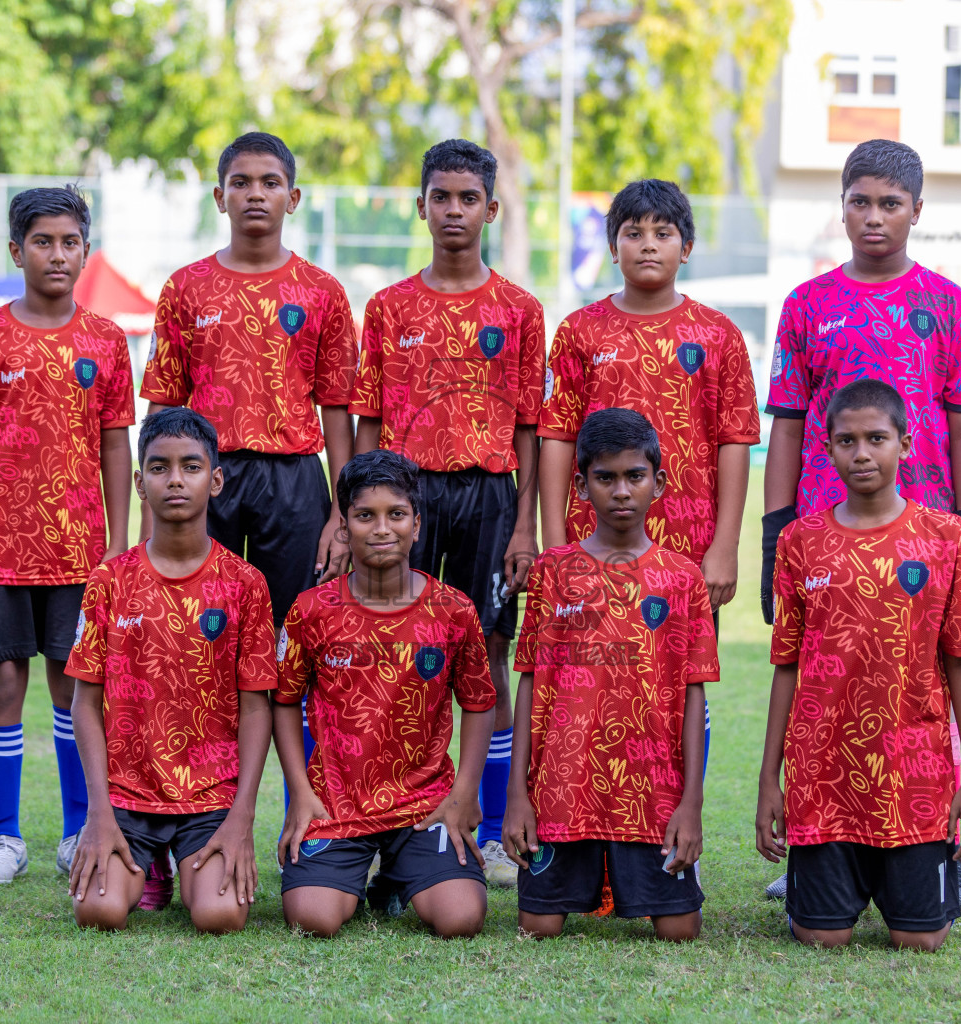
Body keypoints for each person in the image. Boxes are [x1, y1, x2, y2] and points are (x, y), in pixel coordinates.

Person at [758, 139, 961, 906]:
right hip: (827, 538)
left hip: (924, 535)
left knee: (928, 681)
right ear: (842, 206)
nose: (874, 217)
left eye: (891, 203)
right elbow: (787, 426)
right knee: (826, 682)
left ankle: (942, 849)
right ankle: (814, 841)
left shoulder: (951, 306)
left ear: (917, 211)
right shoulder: (807, 304)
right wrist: (775, 532)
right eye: (861, 201)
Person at [139, 130, 355, 899]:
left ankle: (318, 827)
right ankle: (171, 829)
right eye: (241, 181)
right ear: (220, 196)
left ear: (294, 198)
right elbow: (163, 411)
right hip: (206, 485)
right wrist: (151, 530)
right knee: (193, 657)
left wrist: (338, 507)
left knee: (299, 660)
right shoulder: (186, 288)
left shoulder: (323, 292)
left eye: (270, 181)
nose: (256, 193)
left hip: (296, 484)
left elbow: (337, 405)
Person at [351, 139, 544, 886]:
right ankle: (377, 819)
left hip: (488, 496)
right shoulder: (389, 306)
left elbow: (531, 426)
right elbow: (367, 419)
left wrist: (524, 524)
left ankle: (489, 831)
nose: (454, 210)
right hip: (405, 496)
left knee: (486, 657)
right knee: (383, 648)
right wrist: (354, 511)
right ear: (422, 205)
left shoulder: (521, 310)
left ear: (491, 208)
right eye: (442, 197)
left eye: (469, 198)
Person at [755, 378, 961, 952]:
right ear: (827, 448)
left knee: (922, 941)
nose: (861, 453)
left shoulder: (946, 537)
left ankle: (914, 884)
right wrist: (769, 779)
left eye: (876, 438)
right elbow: (786, 665)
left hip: (914, 777)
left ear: (905, 445)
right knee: (820, 937)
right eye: (846, 440)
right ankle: (822, 889)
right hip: (823, 775)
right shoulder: (800, 541)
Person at [538, 177, 760, 774]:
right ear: (613, 246)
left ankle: (675, 827)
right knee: (591, 680)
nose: (648, 244)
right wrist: (556, 541)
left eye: (663, 233)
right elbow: (557, 435)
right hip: (593, 545)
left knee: (681, 684)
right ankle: (594, 820)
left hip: (688, 551)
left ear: (686, 247)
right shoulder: (580, 332)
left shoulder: (719, 335)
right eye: (633, 233)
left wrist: (724, 547)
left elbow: (735, 440)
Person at [0, 185, 134, 886]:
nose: (57, 255)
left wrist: (119, 546)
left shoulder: (107, 340)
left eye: (69, 242)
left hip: (81, 554)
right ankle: (5, 838)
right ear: (15, 250)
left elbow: (116, 445)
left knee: (75, 686)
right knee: (0, 684)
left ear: (86, 250)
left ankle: (75, 830)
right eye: (42, 242)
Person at [504, 408, 714, 941]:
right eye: (605, 478)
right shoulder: (553, 572)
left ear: (658, 483)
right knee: (540, 926)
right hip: (562, 792)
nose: (621, 491)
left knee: (679, 931)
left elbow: (694, 694)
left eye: (634, 476)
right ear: (580, 486)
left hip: (652, 794)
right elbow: (529, 682)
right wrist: (517, 795)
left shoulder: (683, 577)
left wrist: (690, 805)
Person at [65, 408, 276, 932]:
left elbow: (257, 708)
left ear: (217, 479)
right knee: (99, 911)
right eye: (159, 468)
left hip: (211, 795)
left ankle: (183, 861)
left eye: (191, 466)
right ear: (139, 483)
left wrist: (242, 816)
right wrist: (98, 812)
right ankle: (151, 860)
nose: (175, 479)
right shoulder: (109, 581)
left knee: (219, 915)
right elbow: (84, 703)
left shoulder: (246, 583)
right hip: (126, 794)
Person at [273, 450, 496, 938]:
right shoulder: (311, 610)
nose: (381, 529)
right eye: (364, 515)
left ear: (417, 524)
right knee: (313, 920)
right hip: (335, 803)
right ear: (343, 525)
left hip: (425, 804)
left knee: (461, 918)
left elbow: (481, 703)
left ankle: (396, 879)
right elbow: (284, 701)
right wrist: (300, 794)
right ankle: (351, 871)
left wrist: (463, 794)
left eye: (395, 514)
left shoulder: (454, 610)